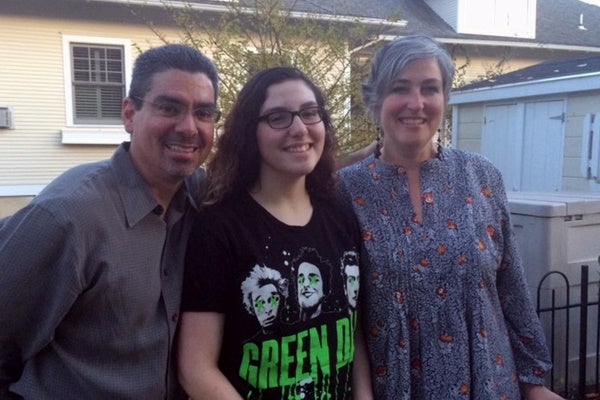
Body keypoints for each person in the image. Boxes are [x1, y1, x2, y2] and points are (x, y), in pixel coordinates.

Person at [337, 35, 564, 400]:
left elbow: (513, 289)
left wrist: (534, 384)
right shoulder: (346, 190)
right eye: (400, 88)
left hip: (488, 384)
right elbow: (349, 316)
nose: (416, 103)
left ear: (445, 98)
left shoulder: (482, 176)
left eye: (430, 88)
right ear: (376, 100)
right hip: (395, 387)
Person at [0, 43, 220, 399]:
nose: (188, 127)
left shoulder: (204, 198)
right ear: (130, 114)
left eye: (204, 113)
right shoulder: (67, 217)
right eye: (169, 107)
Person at [177, 66, 373, 399]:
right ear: (249, 132)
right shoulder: (220, 228)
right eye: (278, 117)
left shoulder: (341, 213)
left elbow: (351, 333)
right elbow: (195, 368)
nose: (299, 129)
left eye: (310, 113)